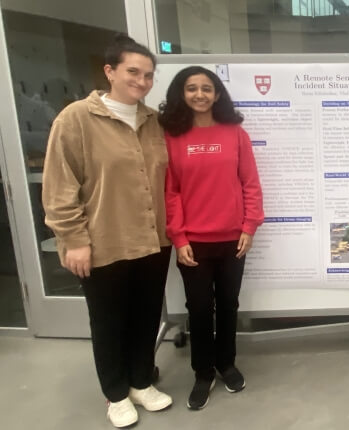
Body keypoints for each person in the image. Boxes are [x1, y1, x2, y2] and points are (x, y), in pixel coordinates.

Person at [42, 35, 173, 427]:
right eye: (133, 72)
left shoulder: (153, 122)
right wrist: (74, 240)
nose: (142, 81)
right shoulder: (76, 119)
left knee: (146, 315)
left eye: (149, 75)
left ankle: (140, 381)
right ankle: (115, 393)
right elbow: (59, 187)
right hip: (102, 242)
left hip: (153, 240)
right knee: (108, 320)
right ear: (109, 71)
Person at [158, 66, 264, 410]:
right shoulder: (172, 136)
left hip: (234, 239)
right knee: (200, 308)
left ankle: (226, 363)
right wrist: (179, 237)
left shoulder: (235, 133)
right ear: (181, 93)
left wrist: (249, 226)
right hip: (193, 243)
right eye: (192, 88)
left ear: (217, 94)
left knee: (229, 305)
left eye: (207, 88)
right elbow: (169, 191)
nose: (200, 94)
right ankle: (202, 372)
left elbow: (250, 183)